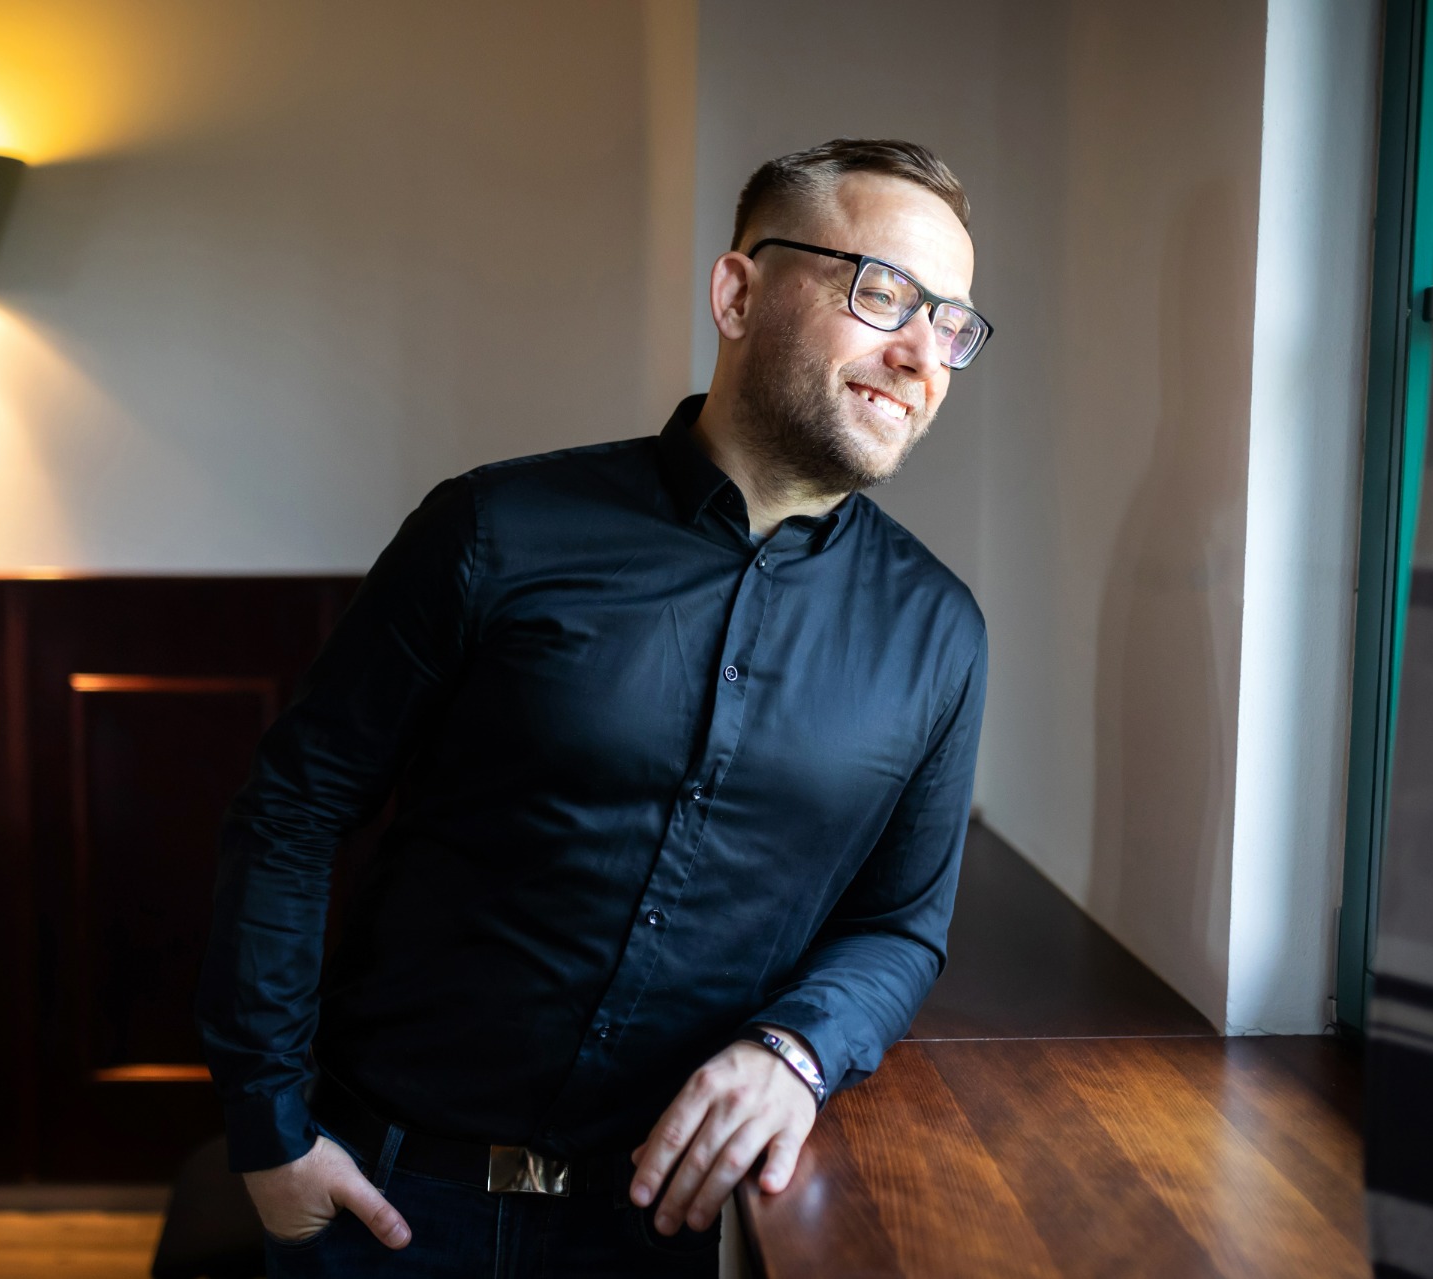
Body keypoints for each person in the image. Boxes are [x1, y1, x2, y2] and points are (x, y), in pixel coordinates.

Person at [197, 137, 991, 1277]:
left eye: (952, 324)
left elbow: (900, 925)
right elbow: (291, 810)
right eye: (882, 293)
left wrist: (798, 1051)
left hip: (663, 1232)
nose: (921, 353)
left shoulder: (941, 633)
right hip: (384, 1205)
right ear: (738, 293)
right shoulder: (492, 530)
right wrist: (268, 1125)